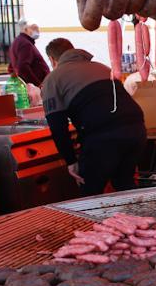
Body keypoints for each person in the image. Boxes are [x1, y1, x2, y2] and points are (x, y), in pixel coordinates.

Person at [41, 37, 147, 196]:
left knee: (90, 192)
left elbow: (57, 127)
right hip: (136, 128)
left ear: (51, 59)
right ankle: (140, 220)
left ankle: (94, 222)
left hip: (103, 135)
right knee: (124, 185)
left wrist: (70, 162)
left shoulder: (53, 79)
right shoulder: (101, 67)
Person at [8, 19, 50, 87]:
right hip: (33, 88)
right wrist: (38, 84)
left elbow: (12, 66)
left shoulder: (20, 41)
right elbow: (22, 67)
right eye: (34, 28)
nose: (37, 31)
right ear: (25, 29)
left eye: (37, 28)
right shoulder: (25, 44)